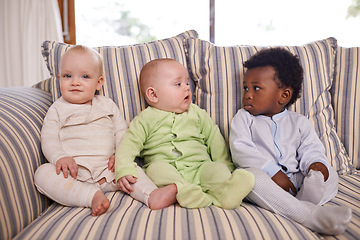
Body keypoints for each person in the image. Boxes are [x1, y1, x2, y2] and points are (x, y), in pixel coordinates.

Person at [34, 45, 174, 216]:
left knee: (132, 169)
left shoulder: (107, 105)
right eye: (67, 76)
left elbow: (122, 133)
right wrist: (59, 157)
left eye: (85, 76)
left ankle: (151, 195)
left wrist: (121, 157)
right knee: (42, 174)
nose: (75, 82)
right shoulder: (57, 109)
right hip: (73, 173)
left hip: (110, 170)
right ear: (59, 78)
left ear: (99, 82)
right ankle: (91, 196)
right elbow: (48, 137)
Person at [229, 47, 352, 235]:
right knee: (249, 179)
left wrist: (316, 165)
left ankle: (303, 200)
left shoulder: (299, 122)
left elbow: (311, 149)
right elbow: (241, 150)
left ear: (283, 95)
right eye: (245, 88)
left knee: (331, 175)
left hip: (298, 180)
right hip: (267, 179)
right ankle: (307, 214)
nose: (248, 94)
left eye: (256, 88)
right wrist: (273, 171)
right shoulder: (243, 118)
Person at [115, 58, 254, 209]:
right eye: (178, 84)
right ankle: (186, 191)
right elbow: (129, 143)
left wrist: (225, 165)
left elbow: (215, 139)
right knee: (156, 169)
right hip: (167, 168)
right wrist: (124, 169)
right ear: (153, 95)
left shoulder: (197, 113)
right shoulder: (145, 119)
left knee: (217, 170)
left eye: (187, 83)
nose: (187, 88)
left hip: (200, 167)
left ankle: (226, 193)